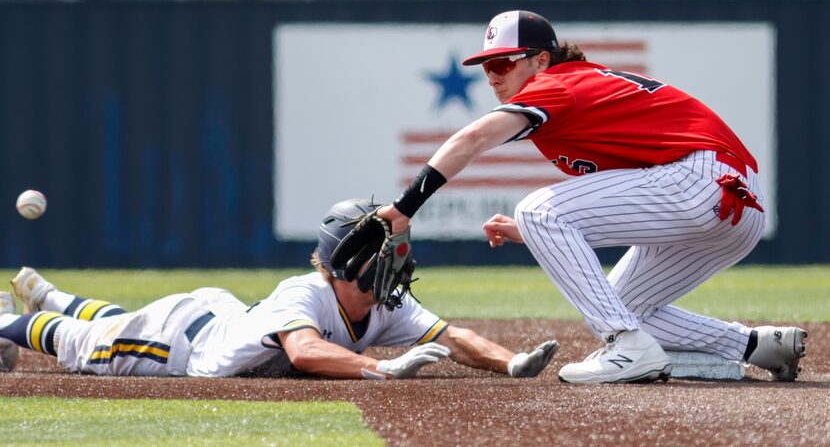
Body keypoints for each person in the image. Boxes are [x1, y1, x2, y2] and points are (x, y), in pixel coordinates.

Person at [375, 10, 807, 384]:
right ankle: (757, 346)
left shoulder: (557, 84)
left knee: (539, 210)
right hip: (737, 205)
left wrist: (403, 208)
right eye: (487, 67)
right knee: (618, 302)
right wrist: (534, 232)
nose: (492, 76)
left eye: (503, 63)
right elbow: (631, 197)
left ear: (541, 60)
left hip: (704, 181)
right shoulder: (583, 91)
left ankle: (628, 346)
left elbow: (472, 138)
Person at [0, 198, 558, 380]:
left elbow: (454, 336)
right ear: (348, 260)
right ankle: (10, 319)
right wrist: (380, 369)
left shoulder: (383, 303)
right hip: (181, 342)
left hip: (216, 314)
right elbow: (304, 350)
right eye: (381, 249)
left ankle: (45, 292)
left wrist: (510, 362)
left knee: (113, 323)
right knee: (80, 343)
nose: (395, 259)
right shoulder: (306, 293)